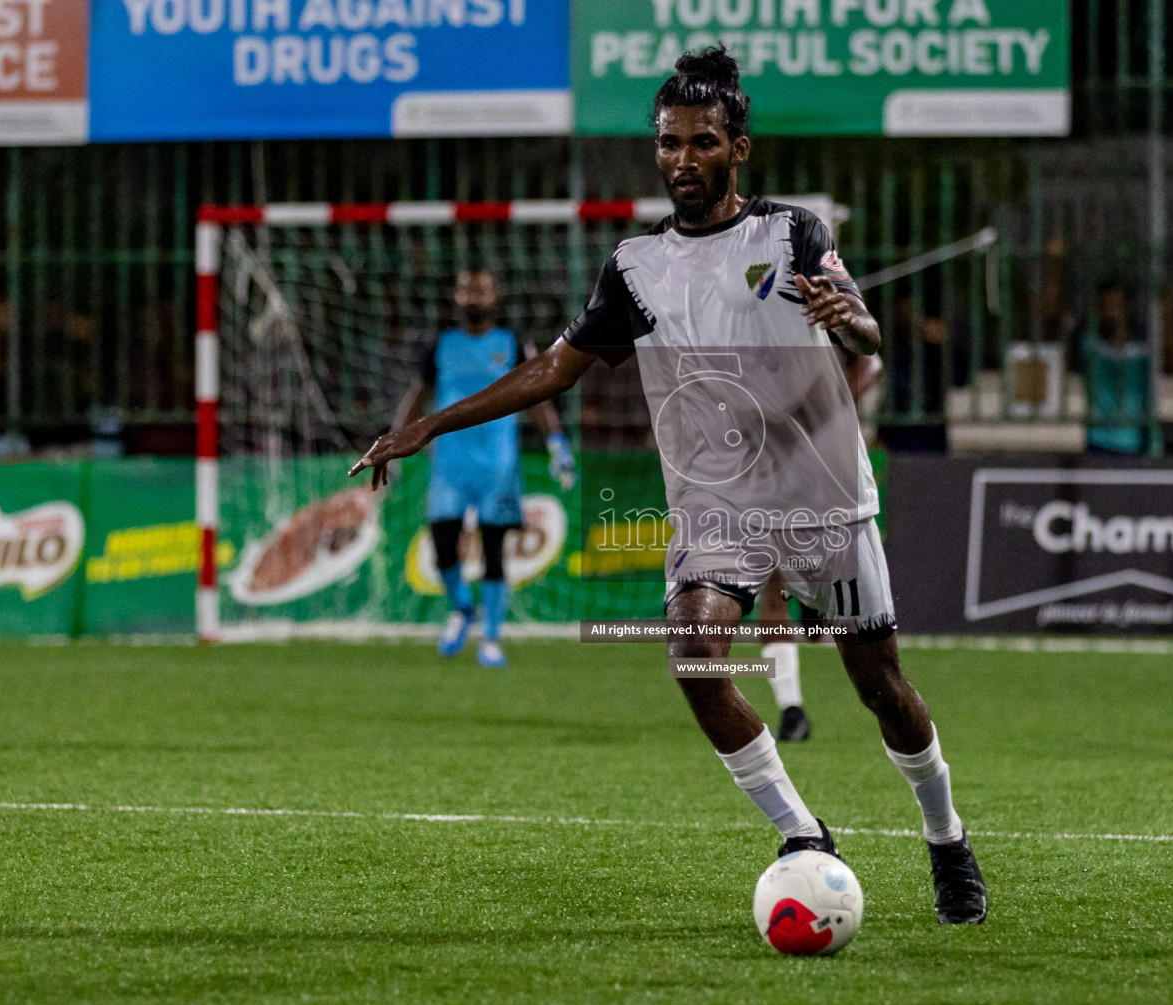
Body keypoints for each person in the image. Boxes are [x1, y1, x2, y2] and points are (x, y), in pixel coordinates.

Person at [352, 47, 987, 925]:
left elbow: (864, 327)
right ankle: (804, 837)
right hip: (717, 506)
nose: (681, 159)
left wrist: (859, 325)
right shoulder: (636, 268)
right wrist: (426, 425)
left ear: (738, 148)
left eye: (701, 142)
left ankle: (947, 837)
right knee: (694, 656)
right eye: (668, 143)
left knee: (881, 686)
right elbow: (551, 369)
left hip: (824, 496)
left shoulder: (792, 233)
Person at [390, 269, 576, 668]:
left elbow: (537, 393)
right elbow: (417, 396)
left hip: (498, 466)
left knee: (493, 550)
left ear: (496, 295)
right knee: (442, 546)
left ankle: (491, 638)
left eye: (482, 288)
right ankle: (462, 610)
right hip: (450, 465)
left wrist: (556, 442)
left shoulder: (510, 342)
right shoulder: (441, 344)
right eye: (466, 289)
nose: (474, 295)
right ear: (456, 296)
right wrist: (394, 444)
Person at [756, 349, 883, 744]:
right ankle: (791, 710)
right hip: (773, 467)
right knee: (772, 587)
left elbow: (871, 362)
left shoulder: (810, 303)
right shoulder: (744, 325)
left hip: (827, 471)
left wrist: (825, 415)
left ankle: (814, 603)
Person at [1072, 280, 1157, 456]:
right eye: (1104, 306)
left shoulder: (1142, 349)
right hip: (1097, 442)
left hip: (1133, 444)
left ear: (1128, 309)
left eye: (1116, 306)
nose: (1111, 313)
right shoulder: (1088, 345)